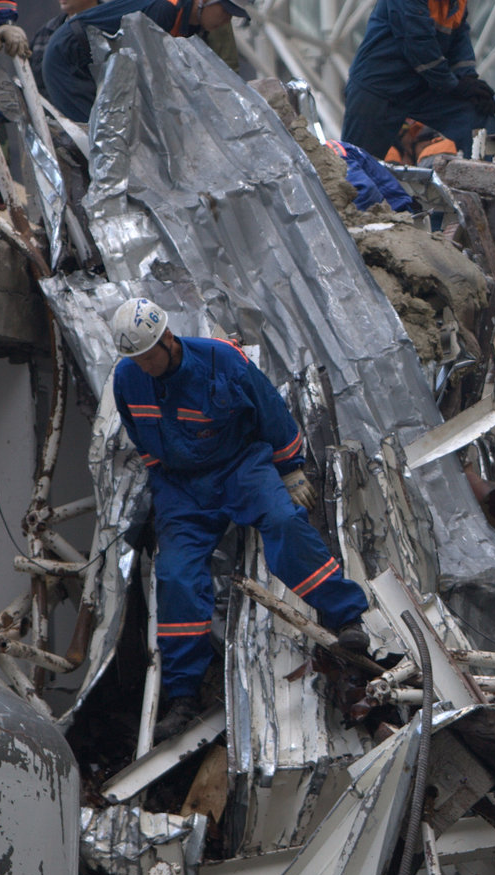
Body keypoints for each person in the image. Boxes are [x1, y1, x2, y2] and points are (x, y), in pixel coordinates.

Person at [109, 297, 372, 741]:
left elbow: (271, 411)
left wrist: (290, 468)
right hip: (181, 486)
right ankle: (183, 695)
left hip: (240, 468)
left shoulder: (220, 361)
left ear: (168, 340)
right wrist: (163, 478)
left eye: (147, 356)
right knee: (175, 576)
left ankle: (347, 619)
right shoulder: (127, 378)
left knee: (286, 525)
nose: (143, 366)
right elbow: (138, 431)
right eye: (134, 359)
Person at [340, 0, 495, 154]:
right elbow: (420, 49)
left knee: (475, 113)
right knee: (357, 164)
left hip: (418, 86)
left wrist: (469, 79)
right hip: (379, 88)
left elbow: (459, 40)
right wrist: (456, 86)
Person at [41, 0, 261, 123]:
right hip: (68, 56)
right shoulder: (166, 9)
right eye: (225, 12)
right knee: (97, 132)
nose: (226, 21)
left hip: (92, 59)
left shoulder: (190, 20)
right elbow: (146, 77)